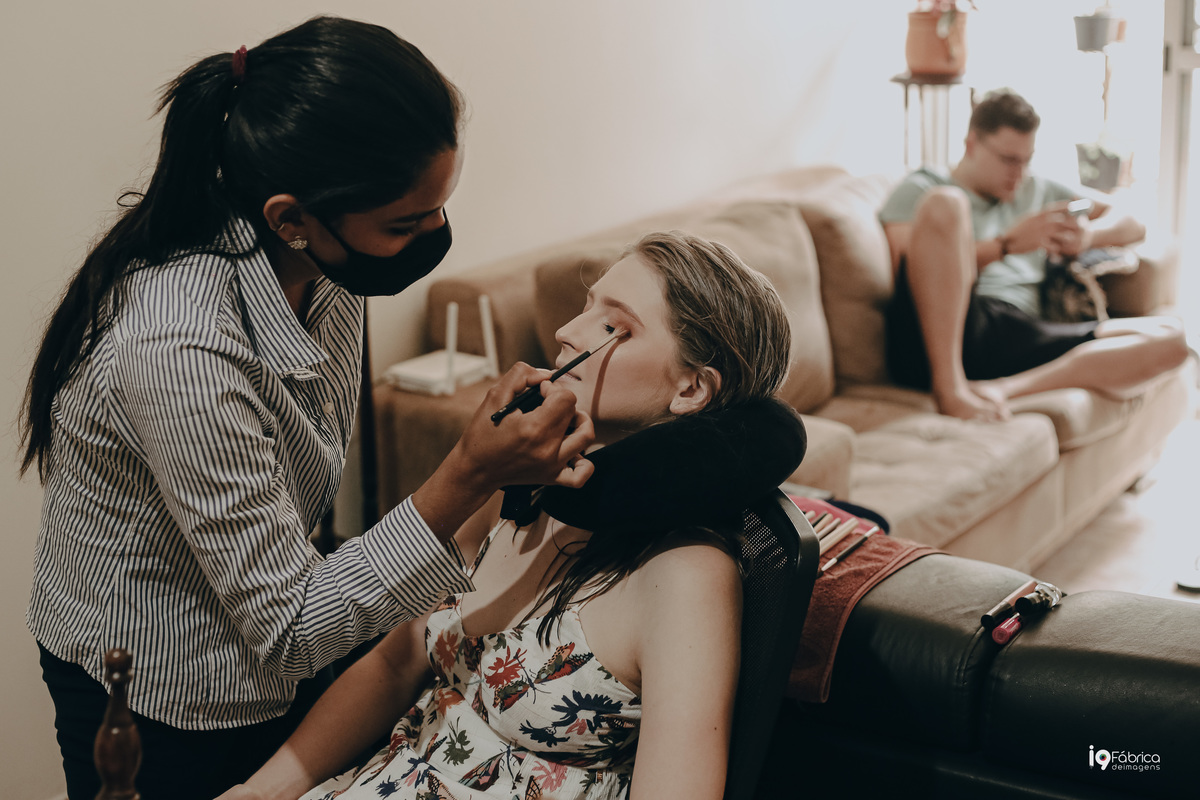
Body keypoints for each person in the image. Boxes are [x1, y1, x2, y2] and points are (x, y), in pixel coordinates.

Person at [19, 17, 595, 800]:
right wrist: (468, 474)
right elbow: (290, 626)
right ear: (291, 219)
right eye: (405, 224)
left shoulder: (323, 272)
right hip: (161, 687)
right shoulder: (181, 348)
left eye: (438, 208)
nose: (435, 236)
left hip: (273, 640)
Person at [215, 230, 802, 800]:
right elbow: (396, 662)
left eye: (612, 327)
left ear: (692, 390)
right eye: (586, 306)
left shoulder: (685, 574)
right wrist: (263, 788)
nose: (566, 331)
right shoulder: (521, 489)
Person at [879, 88, 1189, 422]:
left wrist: (1088, 237)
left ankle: (1003, 389)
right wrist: (1005, 246)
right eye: (1009, 160)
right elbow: (910, 267)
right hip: (952, 326)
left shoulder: (1037, 189)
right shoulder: (923, 187)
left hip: (1020, 330)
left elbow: (1133, 223)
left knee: (1171, 339)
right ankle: (950, 390)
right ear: (971, 145)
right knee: (948, 203)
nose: (1019, 173)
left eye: (1027, 161)